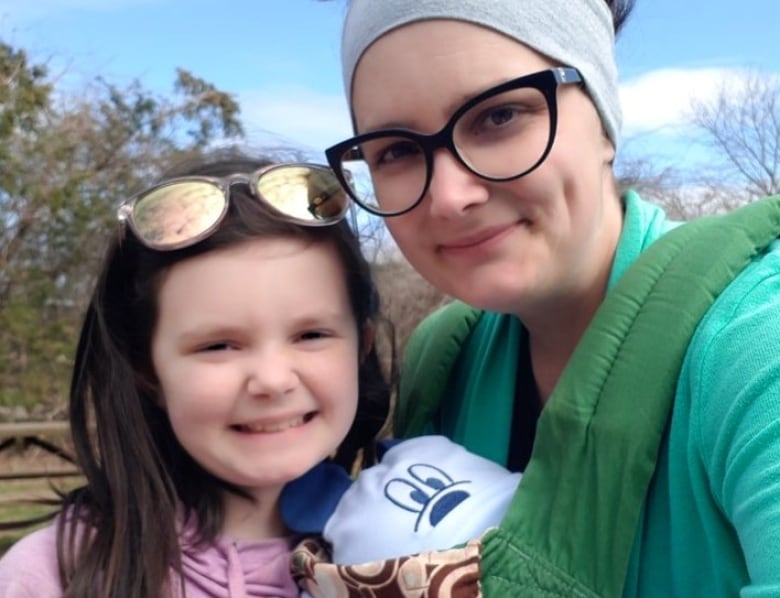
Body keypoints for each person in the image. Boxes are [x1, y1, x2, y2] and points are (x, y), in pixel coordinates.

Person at [321, 0, 780, 596]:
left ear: (603, 121)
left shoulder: (751, 343)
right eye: (397, 151)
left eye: (499, 115)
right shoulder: (446, 358)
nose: (449, 197)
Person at [0, 155, 393, 597]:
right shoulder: (49, 576)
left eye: (311, 334)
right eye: (218, 346)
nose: (272, 379)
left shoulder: (412, 548)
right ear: (147, 370)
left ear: (362, 346)